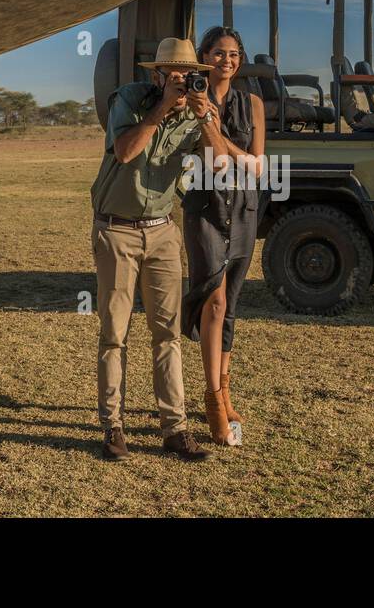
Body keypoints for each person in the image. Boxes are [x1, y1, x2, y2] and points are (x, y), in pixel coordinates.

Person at [90, 38, 213, 462]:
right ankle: (113, 427)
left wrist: (205, 118)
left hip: (163, 231)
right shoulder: (128, 99)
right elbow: (125, 152)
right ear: (155, 75)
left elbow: (219, 164)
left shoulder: (198, 111)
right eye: (172, 74)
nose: (182, 81)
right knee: (114, 334)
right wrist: (162, 107)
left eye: (188, 74)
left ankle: (175, 429)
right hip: (117, 231)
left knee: (167, 335)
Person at [180, 26, 266, 446]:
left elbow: (258, 167)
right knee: (211, 300)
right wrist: (233, 149)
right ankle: (214, 402)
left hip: (244, 209)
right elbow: (215, 164)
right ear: (203, 57)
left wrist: (233, 149)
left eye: (233, 54)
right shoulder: (189, 102)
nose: (226, 60)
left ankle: (224, 390)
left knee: (229, 305)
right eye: (218, 53)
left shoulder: (253, 104)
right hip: (205, 209)